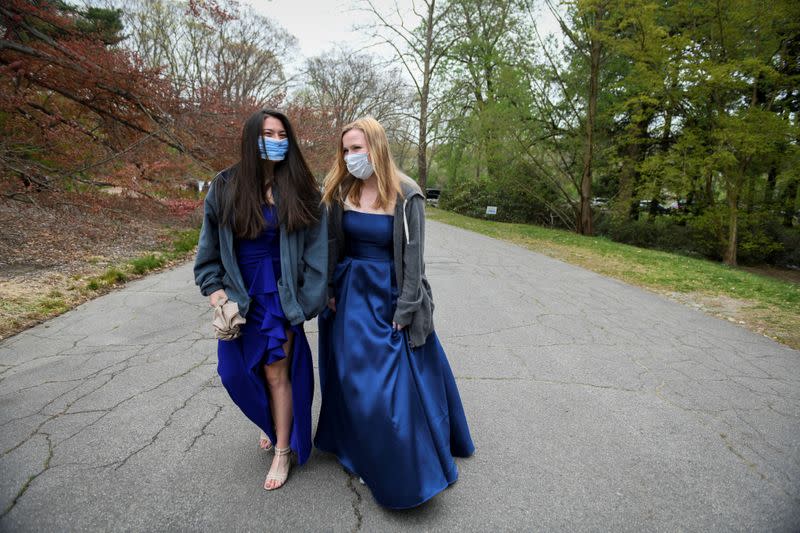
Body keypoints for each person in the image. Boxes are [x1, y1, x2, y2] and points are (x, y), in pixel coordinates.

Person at [314, 116, 474, 509]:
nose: (351, 156)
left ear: (377, 146)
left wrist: (406, 308)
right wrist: (329, 289)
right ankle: (355, 444)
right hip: (349, 296)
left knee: (387, 384)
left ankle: (404, 468)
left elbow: (414, 261)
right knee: (350, 377)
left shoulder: (407, 194)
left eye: (358, 148)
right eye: (346, 150)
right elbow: (332, 244)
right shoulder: (340, 189)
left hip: (388, 296)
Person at [194, 109, 327, 490]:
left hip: (280, 295)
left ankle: (283, 450)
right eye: (269, 133)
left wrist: (306, 301)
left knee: (276, 373)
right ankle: (272, 424)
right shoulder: (224, 185)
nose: (277, 140)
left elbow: (317, 253)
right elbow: (207, 253)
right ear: (253, 138)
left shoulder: (301, 187)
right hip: (240, 293)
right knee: (234, 373)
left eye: (283, 134)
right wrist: (214, 290)